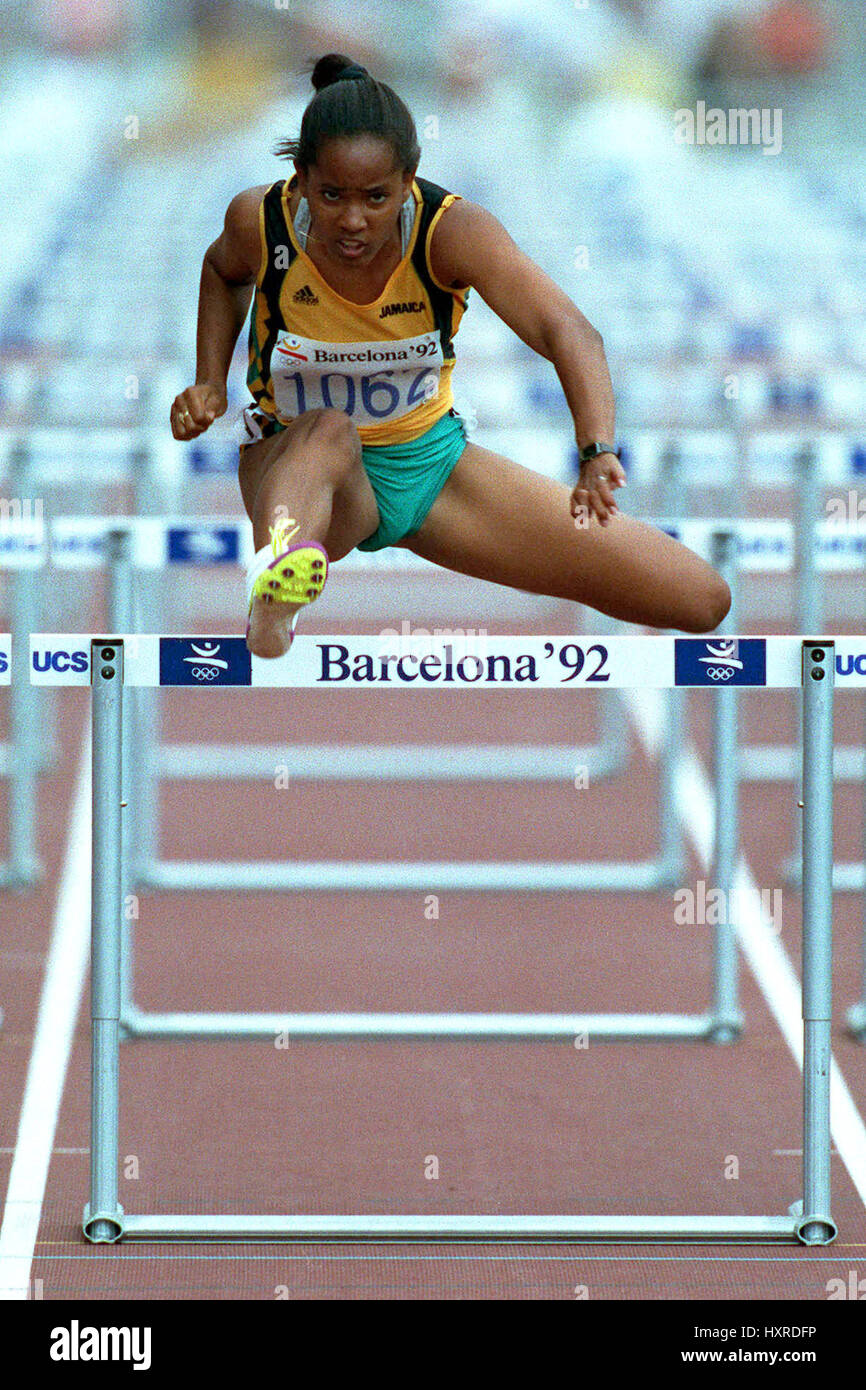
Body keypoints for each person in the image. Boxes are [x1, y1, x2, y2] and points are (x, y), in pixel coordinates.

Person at [170, 52, 730, 658]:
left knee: (698, 598)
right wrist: (210, 381)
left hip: (430, 468)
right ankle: (275, 595)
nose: (353, 221)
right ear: (300, 177)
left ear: (409, 180)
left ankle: (290, 570)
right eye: (330, 195)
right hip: (299, 474)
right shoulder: (260, 221)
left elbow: (569, 332)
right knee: (330, 430)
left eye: (377, 198)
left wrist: (597, 450)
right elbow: (222, 271)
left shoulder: (453, 231)